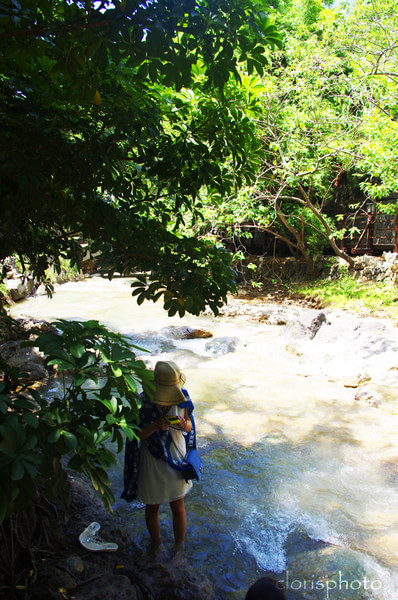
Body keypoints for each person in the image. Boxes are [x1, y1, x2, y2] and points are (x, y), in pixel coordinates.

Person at [121, 360, 194, 561]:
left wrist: (182, 424)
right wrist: (155, 426)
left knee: (178, 505)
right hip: (151, 458)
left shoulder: (182, 398)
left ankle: (179, 548)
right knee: (152, 505)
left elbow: (189, 427)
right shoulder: (143, 402)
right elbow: (135, 436)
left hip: (176, 456)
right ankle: (157, 544)